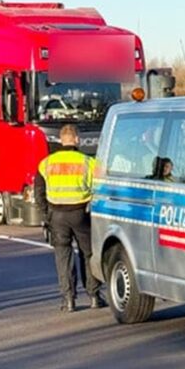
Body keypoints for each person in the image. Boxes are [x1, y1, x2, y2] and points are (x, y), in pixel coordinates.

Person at [37, 124, 104, 312]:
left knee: (62, 255)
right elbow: (99, 188)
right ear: (77, 139)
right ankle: (94, 296)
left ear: (60, 140)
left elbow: (39, 192)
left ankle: (68, 299)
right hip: (81, 213)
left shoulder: (47, 163)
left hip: (57, 215)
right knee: (88, 254)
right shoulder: (88, 162)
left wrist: (46, 214)